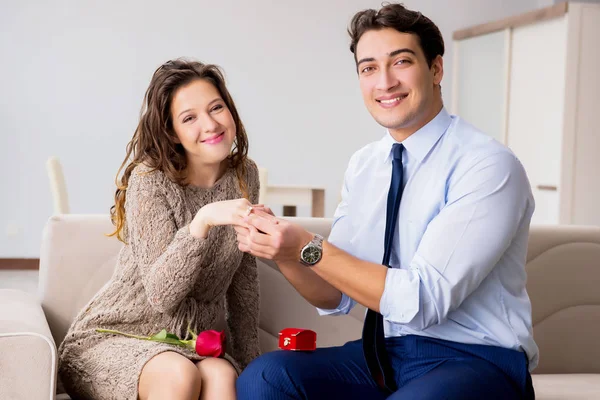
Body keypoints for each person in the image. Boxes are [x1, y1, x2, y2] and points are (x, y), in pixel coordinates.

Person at [235, 3, 537, 399]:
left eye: (401, 62)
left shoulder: (487, 165)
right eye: (369, 68)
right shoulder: (365, 164)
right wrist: (281, 251)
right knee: (266, 377)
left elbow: (421, 301)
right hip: (385, 356)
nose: (385, 82)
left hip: (477, 360)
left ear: (436, 69)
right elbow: (334, 293)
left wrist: (306, 245)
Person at [58, 59, 263, 400]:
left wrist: (252, 364)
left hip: (187, 343)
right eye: (189, 118)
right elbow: (160, 294)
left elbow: (243, 278)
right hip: (116, 336)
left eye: (217, 108)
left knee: (224, 376)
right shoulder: (150, 180)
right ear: (172, 132)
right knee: (178, 375)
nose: (210, 124)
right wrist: (202, 221)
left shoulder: (245, 175)